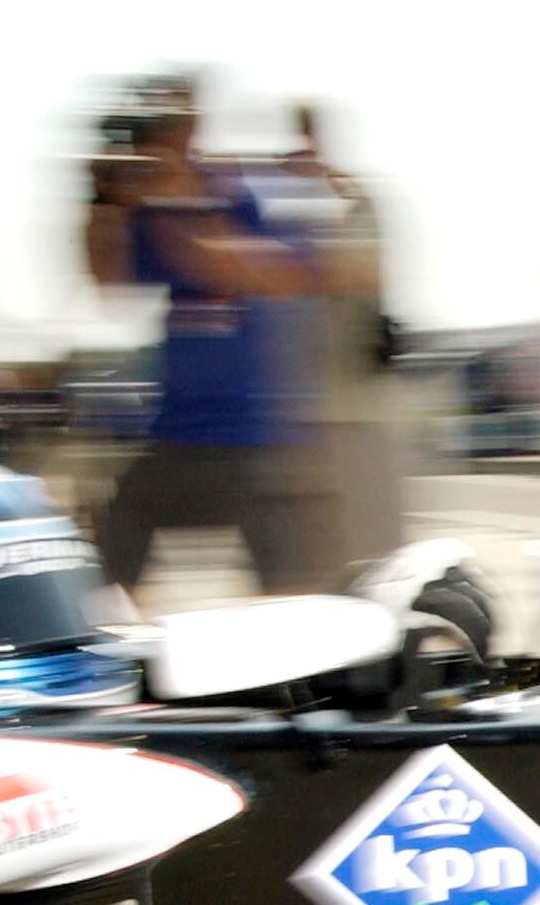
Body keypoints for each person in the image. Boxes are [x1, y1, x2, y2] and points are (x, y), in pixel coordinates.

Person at [89, 101, 331, 596]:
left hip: (258, 441)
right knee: (107, 574)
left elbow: (252, 272)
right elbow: (107, 282)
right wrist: (104, 199)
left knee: (293, 601)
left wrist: (178, 198)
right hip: (178, 437)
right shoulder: (156, 211)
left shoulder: (239, 200)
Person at [280, 101, 404, 567]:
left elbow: (357, 273)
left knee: (373, 541)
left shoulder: (353, 203)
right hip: (298, 409)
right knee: (313, 549)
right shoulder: (269, 207)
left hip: (355, 402)